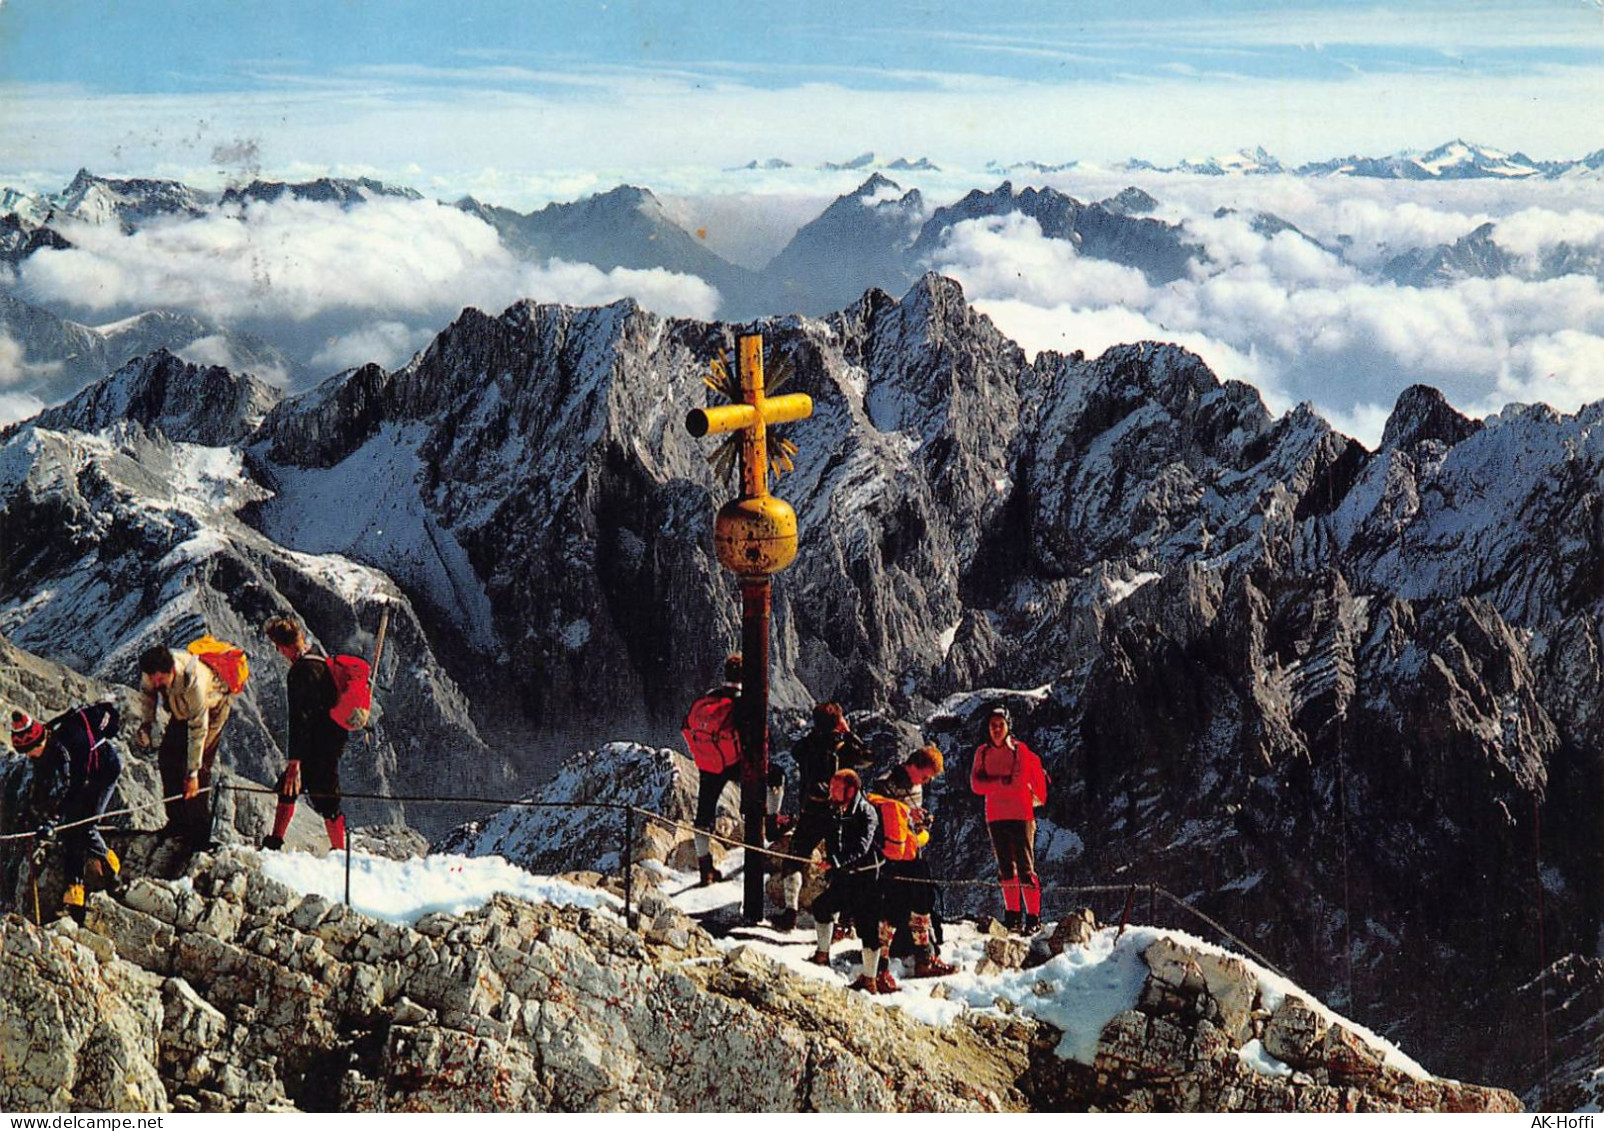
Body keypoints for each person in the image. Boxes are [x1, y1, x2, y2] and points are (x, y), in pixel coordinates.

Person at [11, 703, 124, 924]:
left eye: (28, 751)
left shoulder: (70, 743)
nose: (28, 756)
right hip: (84, 779)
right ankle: (75, 893)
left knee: (83, 826)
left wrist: (53, 819)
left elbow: (76, 786)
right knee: (72, 829)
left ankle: (110, 866)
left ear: (37, 742)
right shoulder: (44, 751)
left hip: (104, 773)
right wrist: (32, 813)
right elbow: (41, 785)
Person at [772, 701, 873, 932]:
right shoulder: (845, 747)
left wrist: (817, 732)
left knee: (796, 858)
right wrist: (848, 733)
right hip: (839, 814)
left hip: (811, 811)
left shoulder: (807, 745)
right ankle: (838, 921)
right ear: (838, 722)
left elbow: (796, 752)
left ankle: (790, 911)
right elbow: (868, 757)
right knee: (838, 863)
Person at [262, 616, 350, 852]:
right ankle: (278, 841)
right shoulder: (321, 661)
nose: (278, 651)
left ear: (285, 645)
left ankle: (337, 853)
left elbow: (298, 719)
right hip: (331, 742)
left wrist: (294, 763)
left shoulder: (299, 672)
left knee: (316, 796)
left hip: (315, 748)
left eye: (277, 646)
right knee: (308, 793)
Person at [137, 643, 235, 850]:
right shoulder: (154, 673)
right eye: (153, 680)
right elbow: (147, 695)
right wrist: (147, 723)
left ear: (171, 671)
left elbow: (199, 730)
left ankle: (198, 833)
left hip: (212, 710)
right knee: (167, 758)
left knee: (197, 767)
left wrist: (192, 774)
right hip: (180, 709)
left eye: (160, 680)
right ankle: (177, 823)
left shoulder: (194, 681)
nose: (156, 684)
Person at [872, 745, 957, 978]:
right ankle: (883, 964)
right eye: (925, 776)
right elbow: (877, 814)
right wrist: (907, 815)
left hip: (911, 851)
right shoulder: (886, 783)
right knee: (892, 906)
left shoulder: (915, 786)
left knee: (920, 901)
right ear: (913, 766)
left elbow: (912, 817)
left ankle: (921, 957)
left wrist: (921, 823)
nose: (926, 782)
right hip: (890, 855)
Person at [970, 703, 1049, 933]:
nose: (996, 729)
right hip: (996, 817)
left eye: (1000, 725)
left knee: (1025, 867)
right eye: (992, 725)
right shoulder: (982, 752)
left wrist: (992, 784)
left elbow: (1017, 781)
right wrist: (1001, 782)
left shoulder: (1019, 750)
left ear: (1008, 726)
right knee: (1006, 868)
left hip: (1021, 814)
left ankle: (1033, 918)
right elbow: (975, 785)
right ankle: (1013, 917)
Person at [806, 769, 887, 993]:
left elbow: (862, 847)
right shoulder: (836, 808)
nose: (830, 792)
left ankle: (869, 980)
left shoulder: (866, 812)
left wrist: (834, 861)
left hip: (867, 877)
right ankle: (822, 955)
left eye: (835, 788)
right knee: (822, 906)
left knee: (867, 927)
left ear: (850, 791)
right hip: (846, 875)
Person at [682, 654, 744, 887]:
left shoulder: (710, 698)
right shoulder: (743, 701)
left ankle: (704, 867)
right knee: (774, 777)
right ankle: (771, 824)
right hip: (735, 763)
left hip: (709, 764)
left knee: (703, 815)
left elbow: (686, 725)